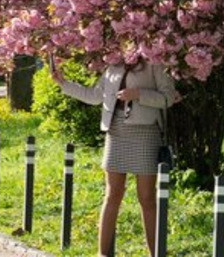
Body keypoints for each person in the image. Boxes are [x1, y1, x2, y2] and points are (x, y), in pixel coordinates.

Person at [49, 55, 178, 257]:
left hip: (145, 133)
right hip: (115, 132)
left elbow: (169, 97)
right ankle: (103, 254)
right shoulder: (113, 63)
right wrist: (63, 83)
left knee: (147, 198)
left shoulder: (154, 60)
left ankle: (157, 254)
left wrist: (138, 94)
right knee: (112, 195)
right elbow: (94, 96)